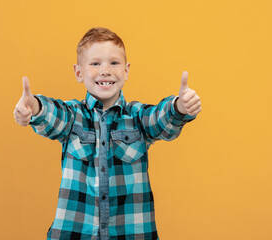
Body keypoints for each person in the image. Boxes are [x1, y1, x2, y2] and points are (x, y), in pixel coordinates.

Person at [13, 27, 201, 240]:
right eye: (95, 63)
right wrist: (34, 107)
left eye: (114, 63)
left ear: (126, 70)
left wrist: (179, 107)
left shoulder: (137, 117)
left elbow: (160, 118)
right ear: (78, 72)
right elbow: (52, 114)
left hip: (131, 233)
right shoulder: (73, 116)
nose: (105, 70)